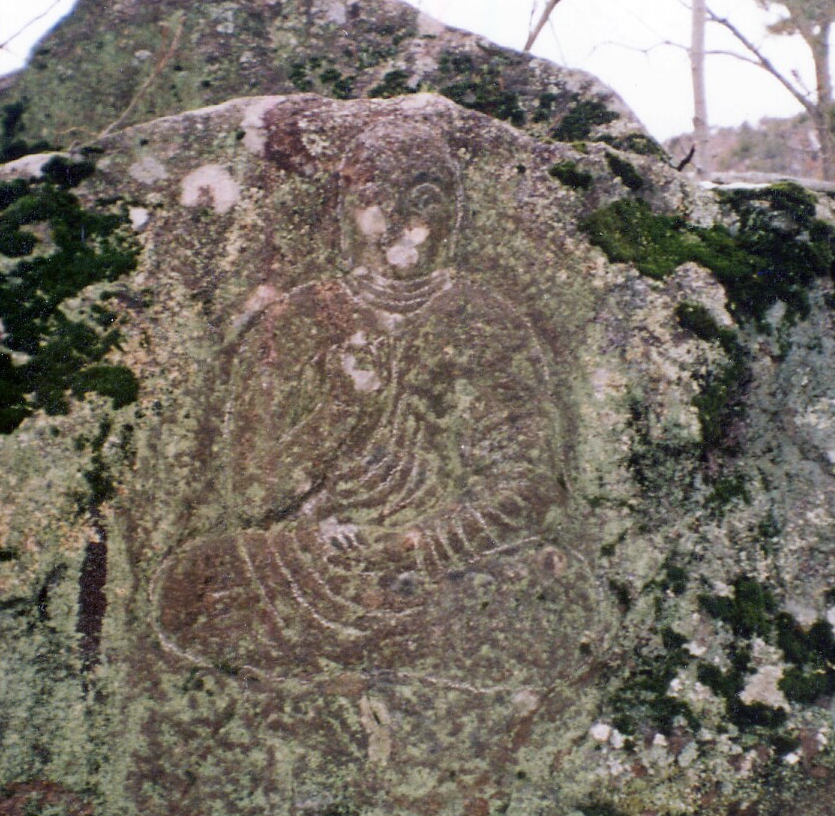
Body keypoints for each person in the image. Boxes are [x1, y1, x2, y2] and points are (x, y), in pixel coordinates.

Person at [154, 116, 597, 689]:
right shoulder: (297, 319)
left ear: (452, 215)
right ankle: (401, 653)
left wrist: (416, 547)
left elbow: (534, 489)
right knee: (189, 588)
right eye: (373, 198)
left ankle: (360, 654)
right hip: (315, 560)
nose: (397, 221)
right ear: (344, 212)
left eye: (424, 200)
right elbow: (252, 495)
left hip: (441, 563)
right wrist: (341, 409)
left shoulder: (487, 322)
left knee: (563, 599)